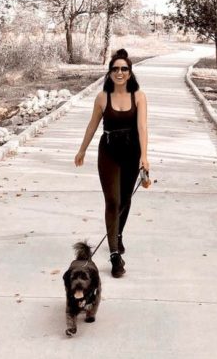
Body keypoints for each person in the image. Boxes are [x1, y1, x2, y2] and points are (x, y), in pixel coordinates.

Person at [74, 49, 149, 278]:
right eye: (115, 68)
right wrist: (82, 149)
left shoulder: (138, 96)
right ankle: (115, 255)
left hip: (131, 152)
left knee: (125, 199)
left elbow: (142, 128)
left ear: (129, 72)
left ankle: (117, 235)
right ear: (110, 72)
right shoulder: (102, 97)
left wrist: (145, 157)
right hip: (108, 152)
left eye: (123, 69)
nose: (119, 72)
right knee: (112, 200)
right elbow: (92, 125)